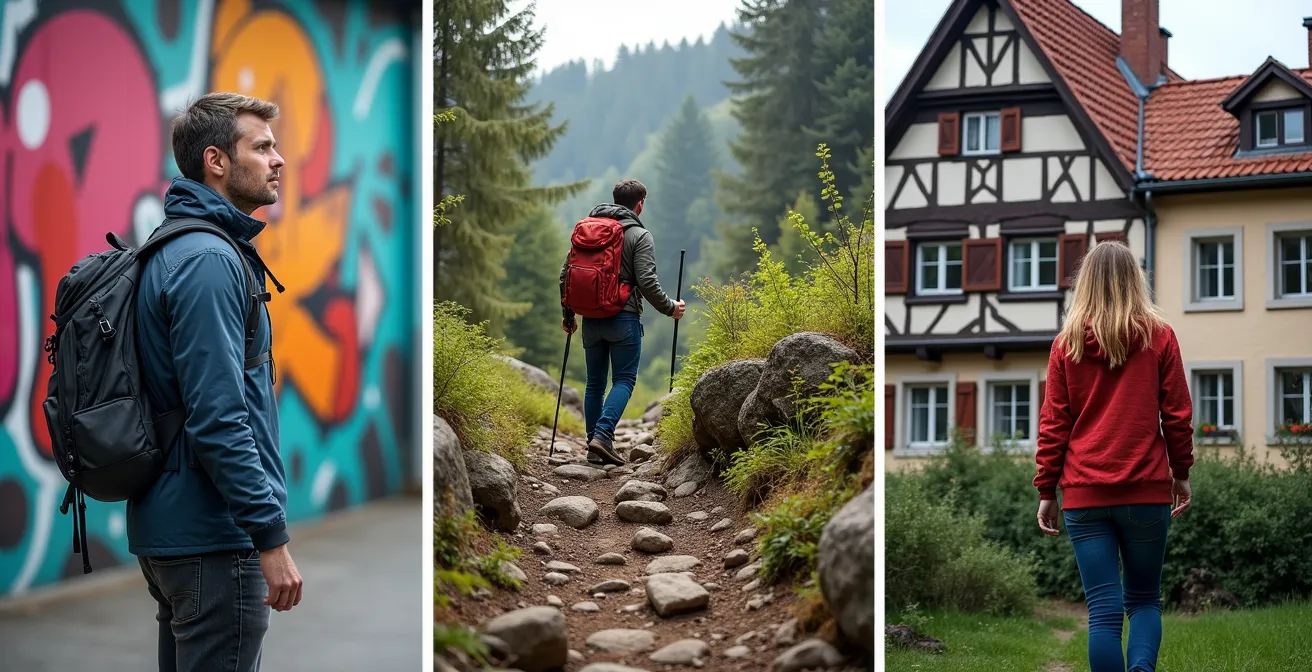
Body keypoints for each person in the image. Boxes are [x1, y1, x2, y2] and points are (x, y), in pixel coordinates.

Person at [131, 92, 303, 672]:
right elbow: (219, 419)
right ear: (217, 161)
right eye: (262, 147)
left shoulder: (176, 246)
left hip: (178, 530)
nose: (278, 159)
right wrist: (269, 536)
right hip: (214, 538)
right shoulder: (208, 260)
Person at [1034, 241, 1195, 672]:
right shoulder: (1159, 336)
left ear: (1085, 283)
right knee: (1143, 601)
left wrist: (1046, 490)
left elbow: (1053, 424)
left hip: (1084, 495)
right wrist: (1181, 472)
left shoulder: (1066, 344)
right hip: (1146, 491)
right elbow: (1177, 415)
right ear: (1135, 281)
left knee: (1103, 611)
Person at [560, 179, 686, 465]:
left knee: (594, 383)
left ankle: (593, 445)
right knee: (624, 379)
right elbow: (647, 281)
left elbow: (566, 275)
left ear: (615, 200)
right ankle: (602, 436)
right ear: (640, 204)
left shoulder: (587, 231)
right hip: (623, 317)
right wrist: (670, 308)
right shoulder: (640, 235)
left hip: (591, 318)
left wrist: (568, 314)